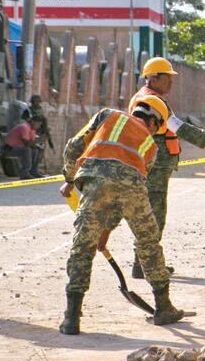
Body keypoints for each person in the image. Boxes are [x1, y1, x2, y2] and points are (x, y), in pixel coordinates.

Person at [58, 96, 185, 334]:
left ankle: (71, 318)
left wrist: (70, 178)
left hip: (95, 182)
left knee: (82, 247)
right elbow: (123, 194)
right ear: (154, 122)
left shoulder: (108, 115)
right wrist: (107, 229)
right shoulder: (152, 146)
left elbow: (74, 146)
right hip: (133, 186)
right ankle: (164, 307)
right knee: (148, 243)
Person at [128, 57, 205, 279]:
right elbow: (177, 127)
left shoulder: (148, 98)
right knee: (154, 216)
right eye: (167, 78)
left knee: (151, 214)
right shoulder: (151, 101)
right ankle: (145, 265)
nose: (171, 82)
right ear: (153, 78)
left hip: (153, 165)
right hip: (154, 167)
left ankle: (143, 263)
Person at [3, 114, 43, 179]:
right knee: (26, 149)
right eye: (38, 124)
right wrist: (40, 140)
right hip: (9, 148)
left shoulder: (32, 130)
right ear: (32, 122)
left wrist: (39, 148)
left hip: (18, 147)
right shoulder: (24, 127)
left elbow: (32, 144)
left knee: (35, 150)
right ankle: (24, 173)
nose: (38, 126)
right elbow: (26, 143)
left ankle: (34, 171)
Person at [28, 94, 54, 172]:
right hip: (32, 132)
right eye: (35, 101)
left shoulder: (40, 110)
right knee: (33, 151)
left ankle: (35, 169)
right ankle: (31, 169)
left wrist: (46, 131)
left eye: (38, 101)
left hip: (40, 132)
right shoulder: (28, 110)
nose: (37, 103)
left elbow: (44, 122)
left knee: (40, 151)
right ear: (32, 102)